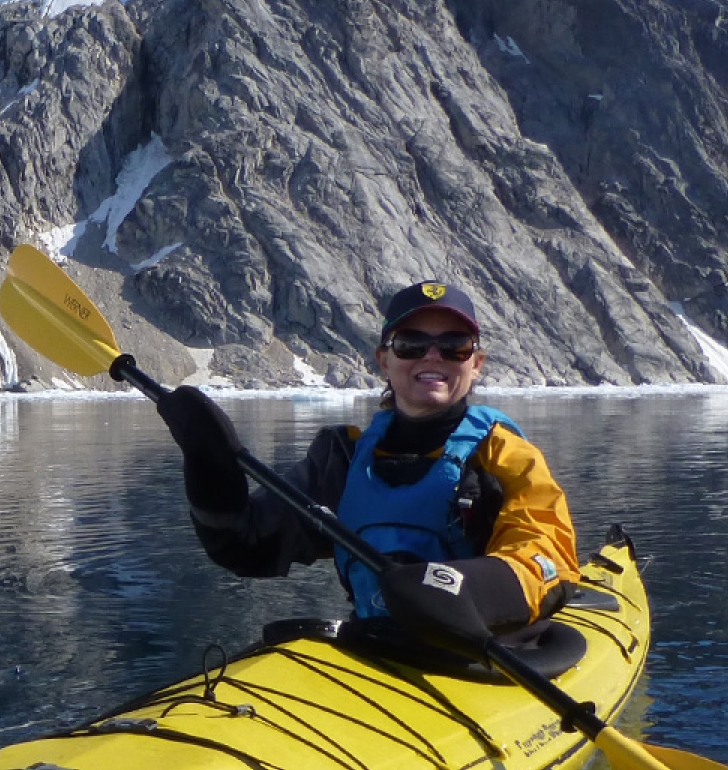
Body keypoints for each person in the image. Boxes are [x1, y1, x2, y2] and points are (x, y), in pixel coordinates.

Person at [157, 280, 578, 656]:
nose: (432, 356)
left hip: (486, 654)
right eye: (411, 344)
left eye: (454, 346)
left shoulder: (506, 456)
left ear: (476, 363)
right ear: (384, 360)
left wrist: (457, 588)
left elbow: (544, 555)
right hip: (378, 648)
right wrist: (209, 469)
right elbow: (245, 546)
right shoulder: (342, 459)